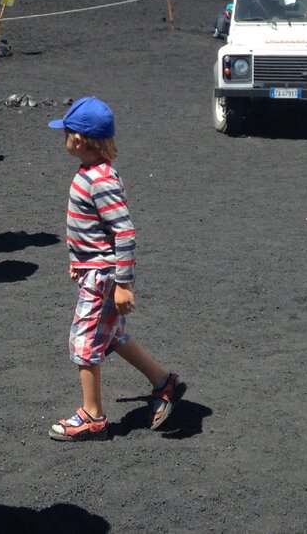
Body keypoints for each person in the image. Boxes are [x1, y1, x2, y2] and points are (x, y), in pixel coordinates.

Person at [45, 96, 184, 442]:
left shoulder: (100, 180)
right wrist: (79, 261)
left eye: (66, 132)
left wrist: (123, 284)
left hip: (105, 277)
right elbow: (93, 230)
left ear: (78, 140)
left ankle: (93, 416)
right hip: (96, 271)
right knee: (114, 335)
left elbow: (124, 232)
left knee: (85, 340)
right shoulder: (93, 173)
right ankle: (163, 381)